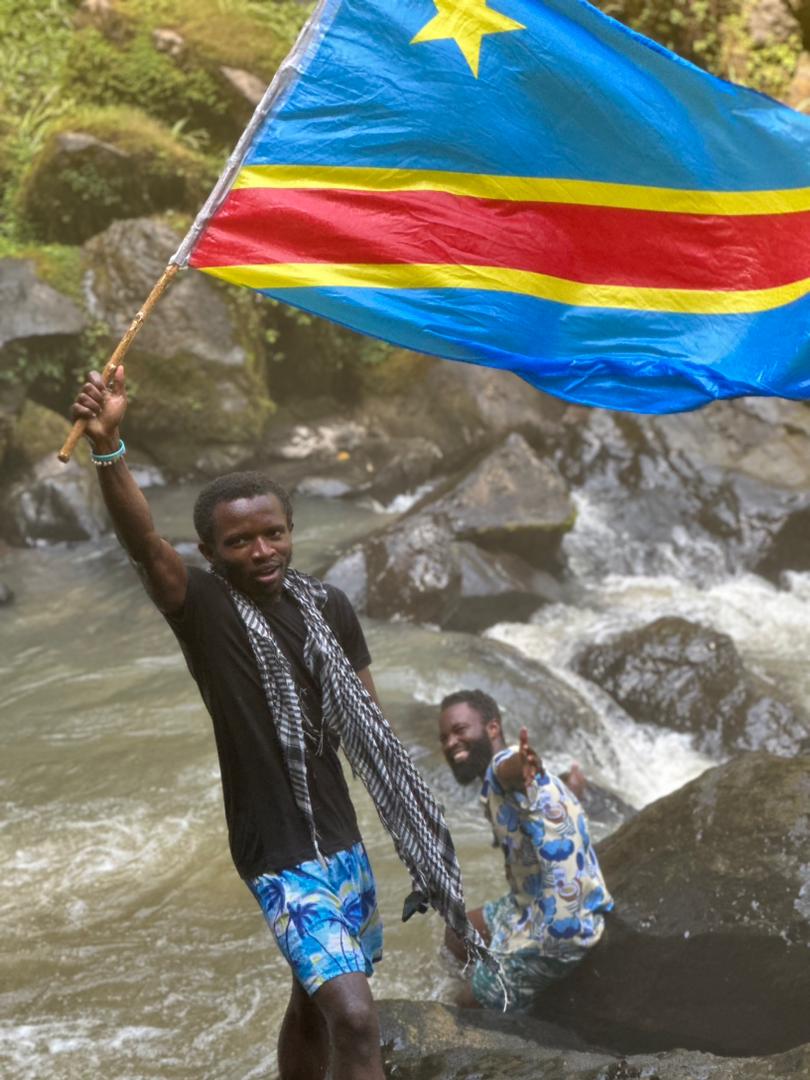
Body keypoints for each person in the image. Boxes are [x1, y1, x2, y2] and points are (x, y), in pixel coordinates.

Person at [70, 367, 488, 1080]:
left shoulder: (329, 609)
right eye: (239, 543)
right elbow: (145, 543)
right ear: (210, 553)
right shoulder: (204, 610)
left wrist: (425, 838)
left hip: (339, 837)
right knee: (356, 1018)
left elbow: (374, 733)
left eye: (273, 534)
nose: (260, 551)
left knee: (312, 1000)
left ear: (292, 531)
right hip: (276, 850)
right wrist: (109, 446)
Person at [437, 689, 613, 1012]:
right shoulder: (526, 784)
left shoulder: (503, 768)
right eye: (444, 737)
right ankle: (493, 973)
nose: (450, 743)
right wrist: (572, 788)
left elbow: (513, 769)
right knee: (458, 934)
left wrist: (523, 762)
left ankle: (499, 992)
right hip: (532, 903)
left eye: (460, 731)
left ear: (492, 729)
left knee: (466, 1006)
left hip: (560, 930)